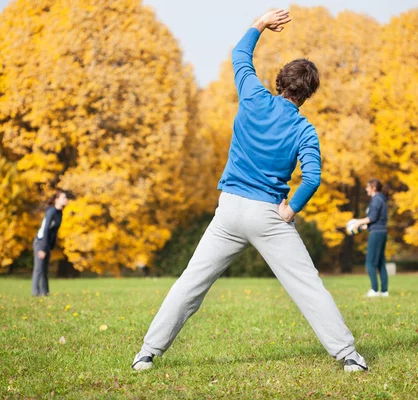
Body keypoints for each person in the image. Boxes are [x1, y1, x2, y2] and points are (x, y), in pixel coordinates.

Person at [132, 9, 368, 373]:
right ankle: (349, 357)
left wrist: (261, 23)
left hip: (228, 210)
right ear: (307, 95)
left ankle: (147, 353)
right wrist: (292, 210)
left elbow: (240, 55)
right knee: (308, 287)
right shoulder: (304, 130)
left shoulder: (253, 97)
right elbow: (312, 178)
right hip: (267, 215)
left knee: (191, 282)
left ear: (279, 82)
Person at [352, 179, 389, 297]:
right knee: (380, 262)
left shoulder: (376, 199)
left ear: (373, 188)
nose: (366, 189)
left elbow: (372, 217)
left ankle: (374, 290)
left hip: (377, 233)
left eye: (368, 187)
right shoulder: (380, 199)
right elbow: (376, 219)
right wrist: (364, 226)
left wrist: (357, 222)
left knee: (370, 263)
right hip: (380, 231)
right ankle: (384, 291)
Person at [31, 190, 69, 296]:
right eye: (64, 198)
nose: (66, 200)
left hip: (47, 244)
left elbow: (54, 232)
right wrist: (43, 248)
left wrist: (50, 247)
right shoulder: (51, 212)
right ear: (57, 200)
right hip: (40, 242)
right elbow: (45, 230)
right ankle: (35, 293)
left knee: (45, 269)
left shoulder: (59, 213)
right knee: (39, 269)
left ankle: (45, 292)